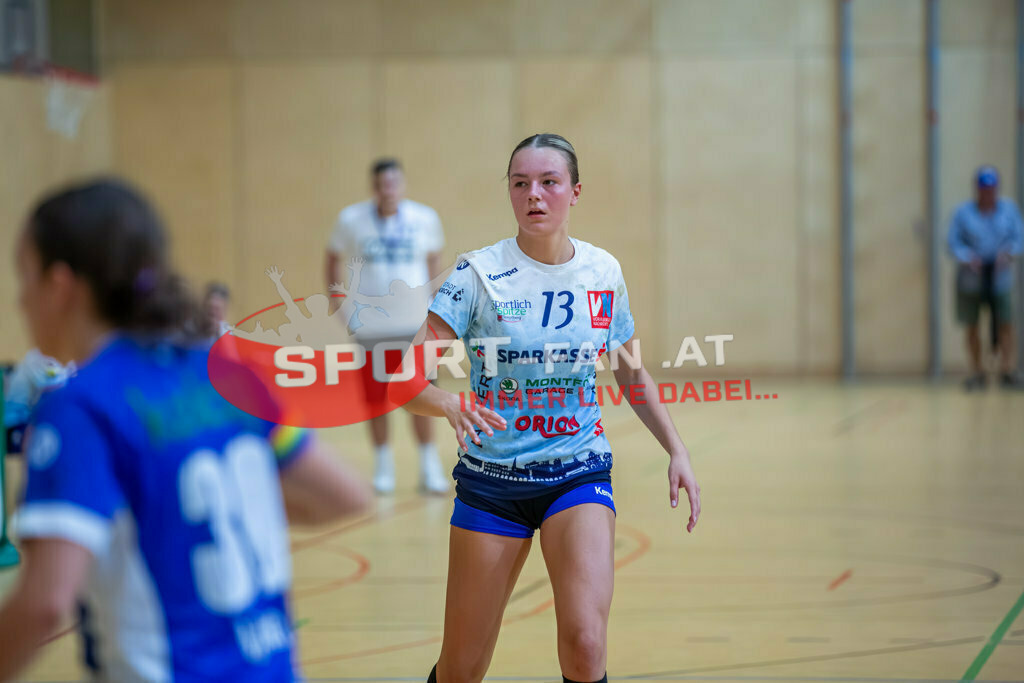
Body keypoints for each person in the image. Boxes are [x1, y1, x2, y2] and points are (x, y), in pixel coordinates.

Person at [0, 179, 372, 682]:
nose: (20, 300)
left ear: (61, 286)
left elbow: (45, 602)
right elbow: (346, 495)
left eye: (24, 278)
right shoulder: (225, 376)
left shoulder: (80, 406)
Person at [397, 134, 701, 683]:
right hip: (492, 483)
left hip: (577, 472)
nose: (533, 195)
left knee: (585, 644)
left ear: (574, 192)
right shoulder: (476, 274)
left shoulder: (603, 273)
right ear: (509, 193)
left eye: (548, 182)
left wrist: (676, 449)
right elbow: (404, 380)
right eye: (520, 184)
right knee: (462, 667)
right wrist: (446, 401)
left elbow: (631, 371)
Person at [325, 158, 448, 495]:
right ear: (374, 187)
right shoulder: (352, 219)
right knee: (376, 397)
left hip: (415, 326)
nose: (388, 190)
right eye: (382, 184)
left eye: (394, 183)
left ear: (402, 185)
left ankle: (428, 465)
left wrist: (435, 309)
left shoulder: (424, 219)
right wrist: (340, 307)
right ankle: (383, 467)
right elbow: (332, 260)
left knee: (420, 393)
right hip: (372, 327)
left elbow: (433, 264)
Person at [948, 165, 1024, 390]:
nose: (987, 193)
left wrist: (1008, 253)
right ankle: (977, 371)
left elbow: (1020, 238)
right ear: (977, 189)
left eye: (991, 189)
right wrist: (967, 257)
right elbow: (952, 242)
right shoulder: (963, 213)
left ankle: (1007, 369)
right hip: (972, 278)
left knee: (1006, 322)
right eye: (983, 189)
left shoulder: (1008, 210)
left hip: (999, 278)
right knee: (971, 324)